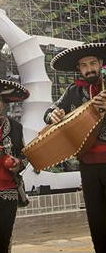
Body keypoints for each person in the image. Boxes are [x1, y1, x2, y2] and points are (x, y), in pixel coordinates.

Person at [44, 43, 106, 253]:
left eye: (92, 63)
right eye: (84, 65)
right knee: (96, 222)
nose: (89, 69)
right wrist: (53, 115)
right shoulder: (72, 91)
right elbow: (50, 109)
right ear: (79, 69)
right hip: (87, 166)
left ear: (101, 64)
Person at [0, 79, 30, 253]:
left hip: (9, 192)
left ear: (3, 104)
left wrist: (18, 164)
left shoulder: (16, 128)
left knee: (4, 238)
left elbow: (25, 155)